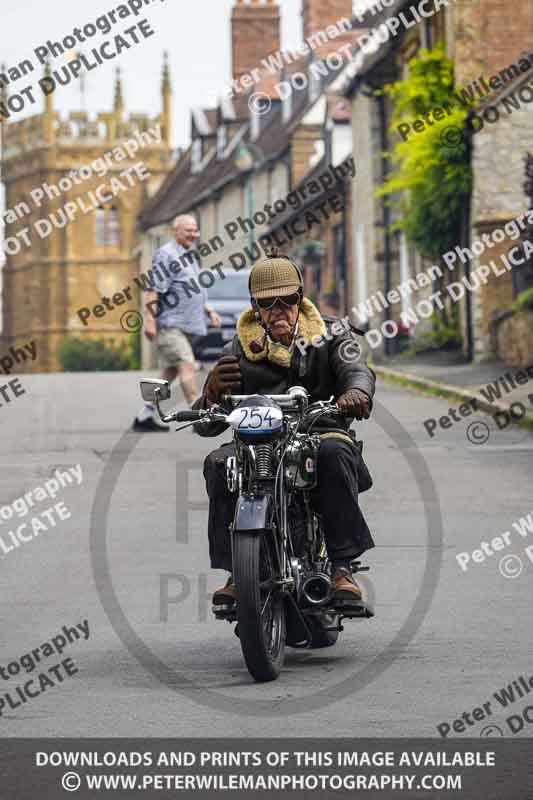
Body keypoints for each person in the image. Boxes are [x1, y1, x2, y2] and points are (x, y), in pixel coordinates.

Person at [192, 252, 376, 607]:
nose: (279, 309)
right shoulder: (239, 346)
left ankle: (341, 569)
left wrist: (356, 391)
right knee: (220, 463)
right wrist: (211, 391)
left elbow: (356, 366)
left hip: (318, 431)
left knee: (334, 453)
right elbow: (208, 424)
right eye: (268, 302)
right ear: (254, 306)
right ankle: (237, 572)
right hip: (257, 445)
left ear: (301, 297)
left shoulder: (331, 332)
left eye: (288, 300)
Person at [133, 214, 221, 432]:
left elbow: (191, 289)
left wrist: (209, 310)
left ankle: (144, 415)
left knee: (170, 373)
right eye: (188, 230)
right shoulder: (166, 255)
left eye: (195, 230)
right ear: (175, 231)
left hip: (186, 326)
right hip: (170, 325)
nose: (193, 234)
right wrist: (150, 321)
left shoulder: (189, 256)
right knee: (187, 364)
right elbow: (153, 291)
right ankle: (197, 414)